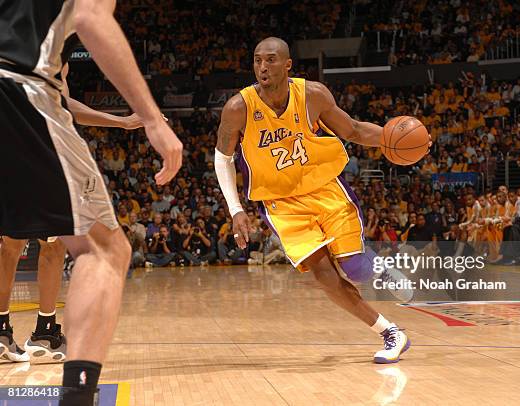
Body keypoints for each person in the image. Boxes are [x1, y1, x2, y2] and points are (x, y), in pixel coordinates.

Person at [0, 2, 182, 404]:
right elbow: (91, 16)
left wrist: (120, 121)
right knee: (103, 248)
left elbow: (66, 103)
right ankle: (77, 396)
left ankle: (38, 329)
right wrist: (151, 118)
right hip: (16, 86)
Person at [215, 37, 429, 364]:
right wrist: (235, 209)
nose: (262, 67)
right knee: (325, 278)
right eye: (257, 60)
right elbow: (222, 158)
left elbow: (354, 130)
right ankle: (391, 333)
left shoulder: (312, 95)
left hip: (324, 189)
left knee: (355, 270)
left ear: (287, 65)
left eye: (270, 60)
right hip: (281, 204)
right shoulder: (238, 108)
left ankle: (380, 269)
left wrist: (392, 140)